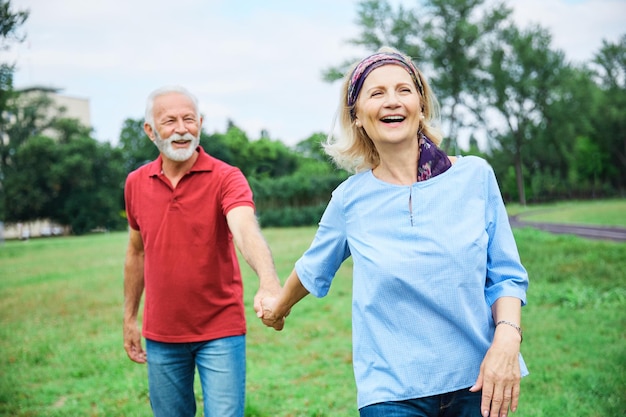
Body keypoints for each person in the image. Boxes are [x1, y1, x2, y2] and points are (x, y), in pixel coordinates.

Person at [259, 47, 529, 417]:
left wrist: (507, 338)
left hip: (478, 380)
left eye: (404, 90)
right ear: (357, 117)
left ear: (421, 105)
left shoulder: (475, 177)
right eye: (377, 93)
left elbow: (506, 275)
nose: (392, 101)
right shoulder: (350, 200)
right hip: (391, 391)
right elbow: (313, 267)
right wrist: (278, 307)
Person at [123, 85, 281, 417]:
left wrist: (268, 282)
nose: (181, 129)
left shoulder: (227, 177)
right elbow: (136, 252)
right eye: (169, 121)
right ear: (150, 130)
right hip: (161, 334)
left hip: (220, 331)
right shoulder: (135, 183)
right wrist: (129, 318)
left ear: (201, 124)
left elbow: (244, 228)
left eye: (189, 119)